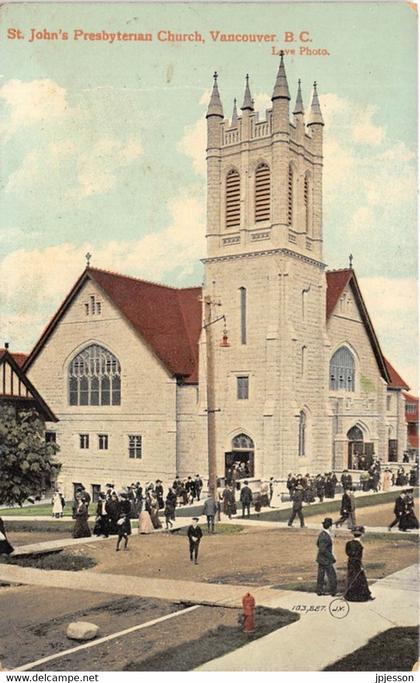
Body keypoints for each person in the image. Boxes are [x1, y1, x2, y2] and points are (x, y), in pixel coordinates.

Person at [343, 526, 374, 602]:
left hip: (350, 562)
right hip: (357, 563)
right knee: (360, 579)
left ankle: (350, 595)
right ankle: (362, 596)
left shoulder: (349, 543)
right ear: (361, 534)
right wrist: (360, 565)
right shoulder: (359, 544)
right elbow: (358, 556)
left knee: (351, 578)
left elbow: (347, 553)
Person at [316, 518, 337, 596]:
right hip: (326, 559)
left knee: (321, 575)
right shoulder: (325, 536)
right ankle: (333, 591)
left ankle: (319, 591)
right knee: (332, 575)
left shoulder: (322, 534)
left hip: (321, 558)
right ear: (330, 526)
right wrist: (332, 557)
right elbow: (322, 549)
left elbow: (318, 544)